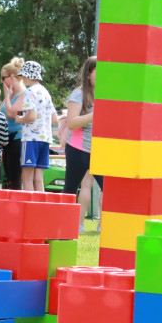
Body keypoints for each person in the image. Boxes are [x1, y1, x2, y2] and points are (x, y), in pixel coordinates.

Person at [64, 56, 103, 233]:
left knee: (108, 188)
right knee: (71, 187)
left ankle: (104, 225)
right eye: (99, 71)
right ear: (89, 74)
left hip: (100, 150)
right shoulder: (78, 94)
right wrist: (96, 114)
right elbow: (71, 122)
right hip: (78, 149)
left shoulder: (106, 94)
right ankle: (68, 225)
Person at [18, 60, 56, 192]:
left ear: (28, 75)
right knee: (38, 179)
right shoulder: (45, 92)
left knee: (26, 177)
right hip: (45, 138)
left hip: (31, 138)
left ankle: (29, 209)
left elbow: (31, 116)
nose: (22, 78)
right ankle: (40, 208)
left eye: (23, 75)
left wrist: (19, 119)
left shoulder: (30, 92)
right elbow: (55, 119)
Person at [0, 58, 27, 190]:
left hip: (18, 138)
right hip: (7, 139)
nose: (2, 82)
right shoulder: (11, 95)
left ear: (11, 78)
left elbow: (11, 113)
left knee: (16, 176)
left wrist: (6, 95)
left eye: (3, 78)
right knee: (9, 176)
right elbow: (0, 112)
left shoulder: (23, 93)